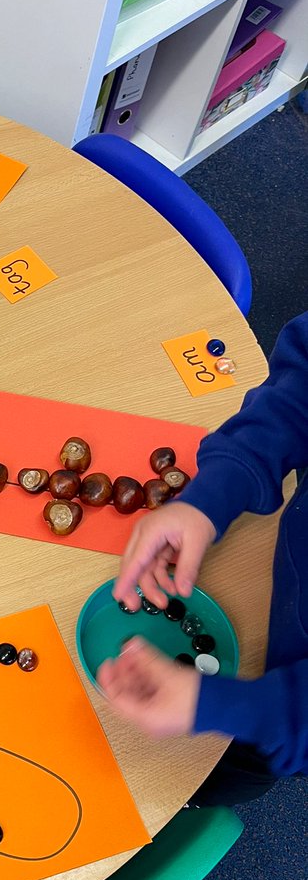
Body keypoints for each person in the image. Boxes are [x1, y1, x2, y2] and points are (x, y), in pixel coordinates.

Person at [98, 310, 308, 805]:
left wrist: (227, 707)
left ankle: (195, 802)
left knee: (224, 773)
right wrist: (209, 500)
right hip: (279, 608)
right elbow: (299, 393)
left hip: (276, 718)